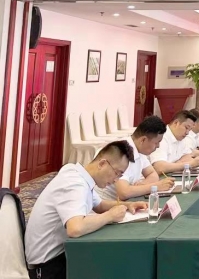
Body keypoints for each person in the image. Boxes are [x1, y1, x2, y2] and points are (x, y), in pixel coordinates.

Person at [25, 141, 148, 279]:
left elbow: (99, 205)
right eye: (117, 173)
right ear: (102, 164)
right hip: (48, 266)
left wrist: (128, 205)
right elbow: (75, 229)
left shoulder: (79, 173)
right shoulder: (74, 183)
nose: (116, 180)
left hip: (61, 254)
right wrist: (110, 216)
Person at [95, 116, 174, 201]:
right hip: (105, 203)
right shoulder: (122, 152)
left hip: (123, 202)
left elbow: (152, 174)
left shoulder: (138, 149)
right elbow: (124, 193)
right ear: (143, 140)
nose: (158, 146)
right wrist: (155, 187)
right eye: (156, 142)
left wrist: (142, 185)